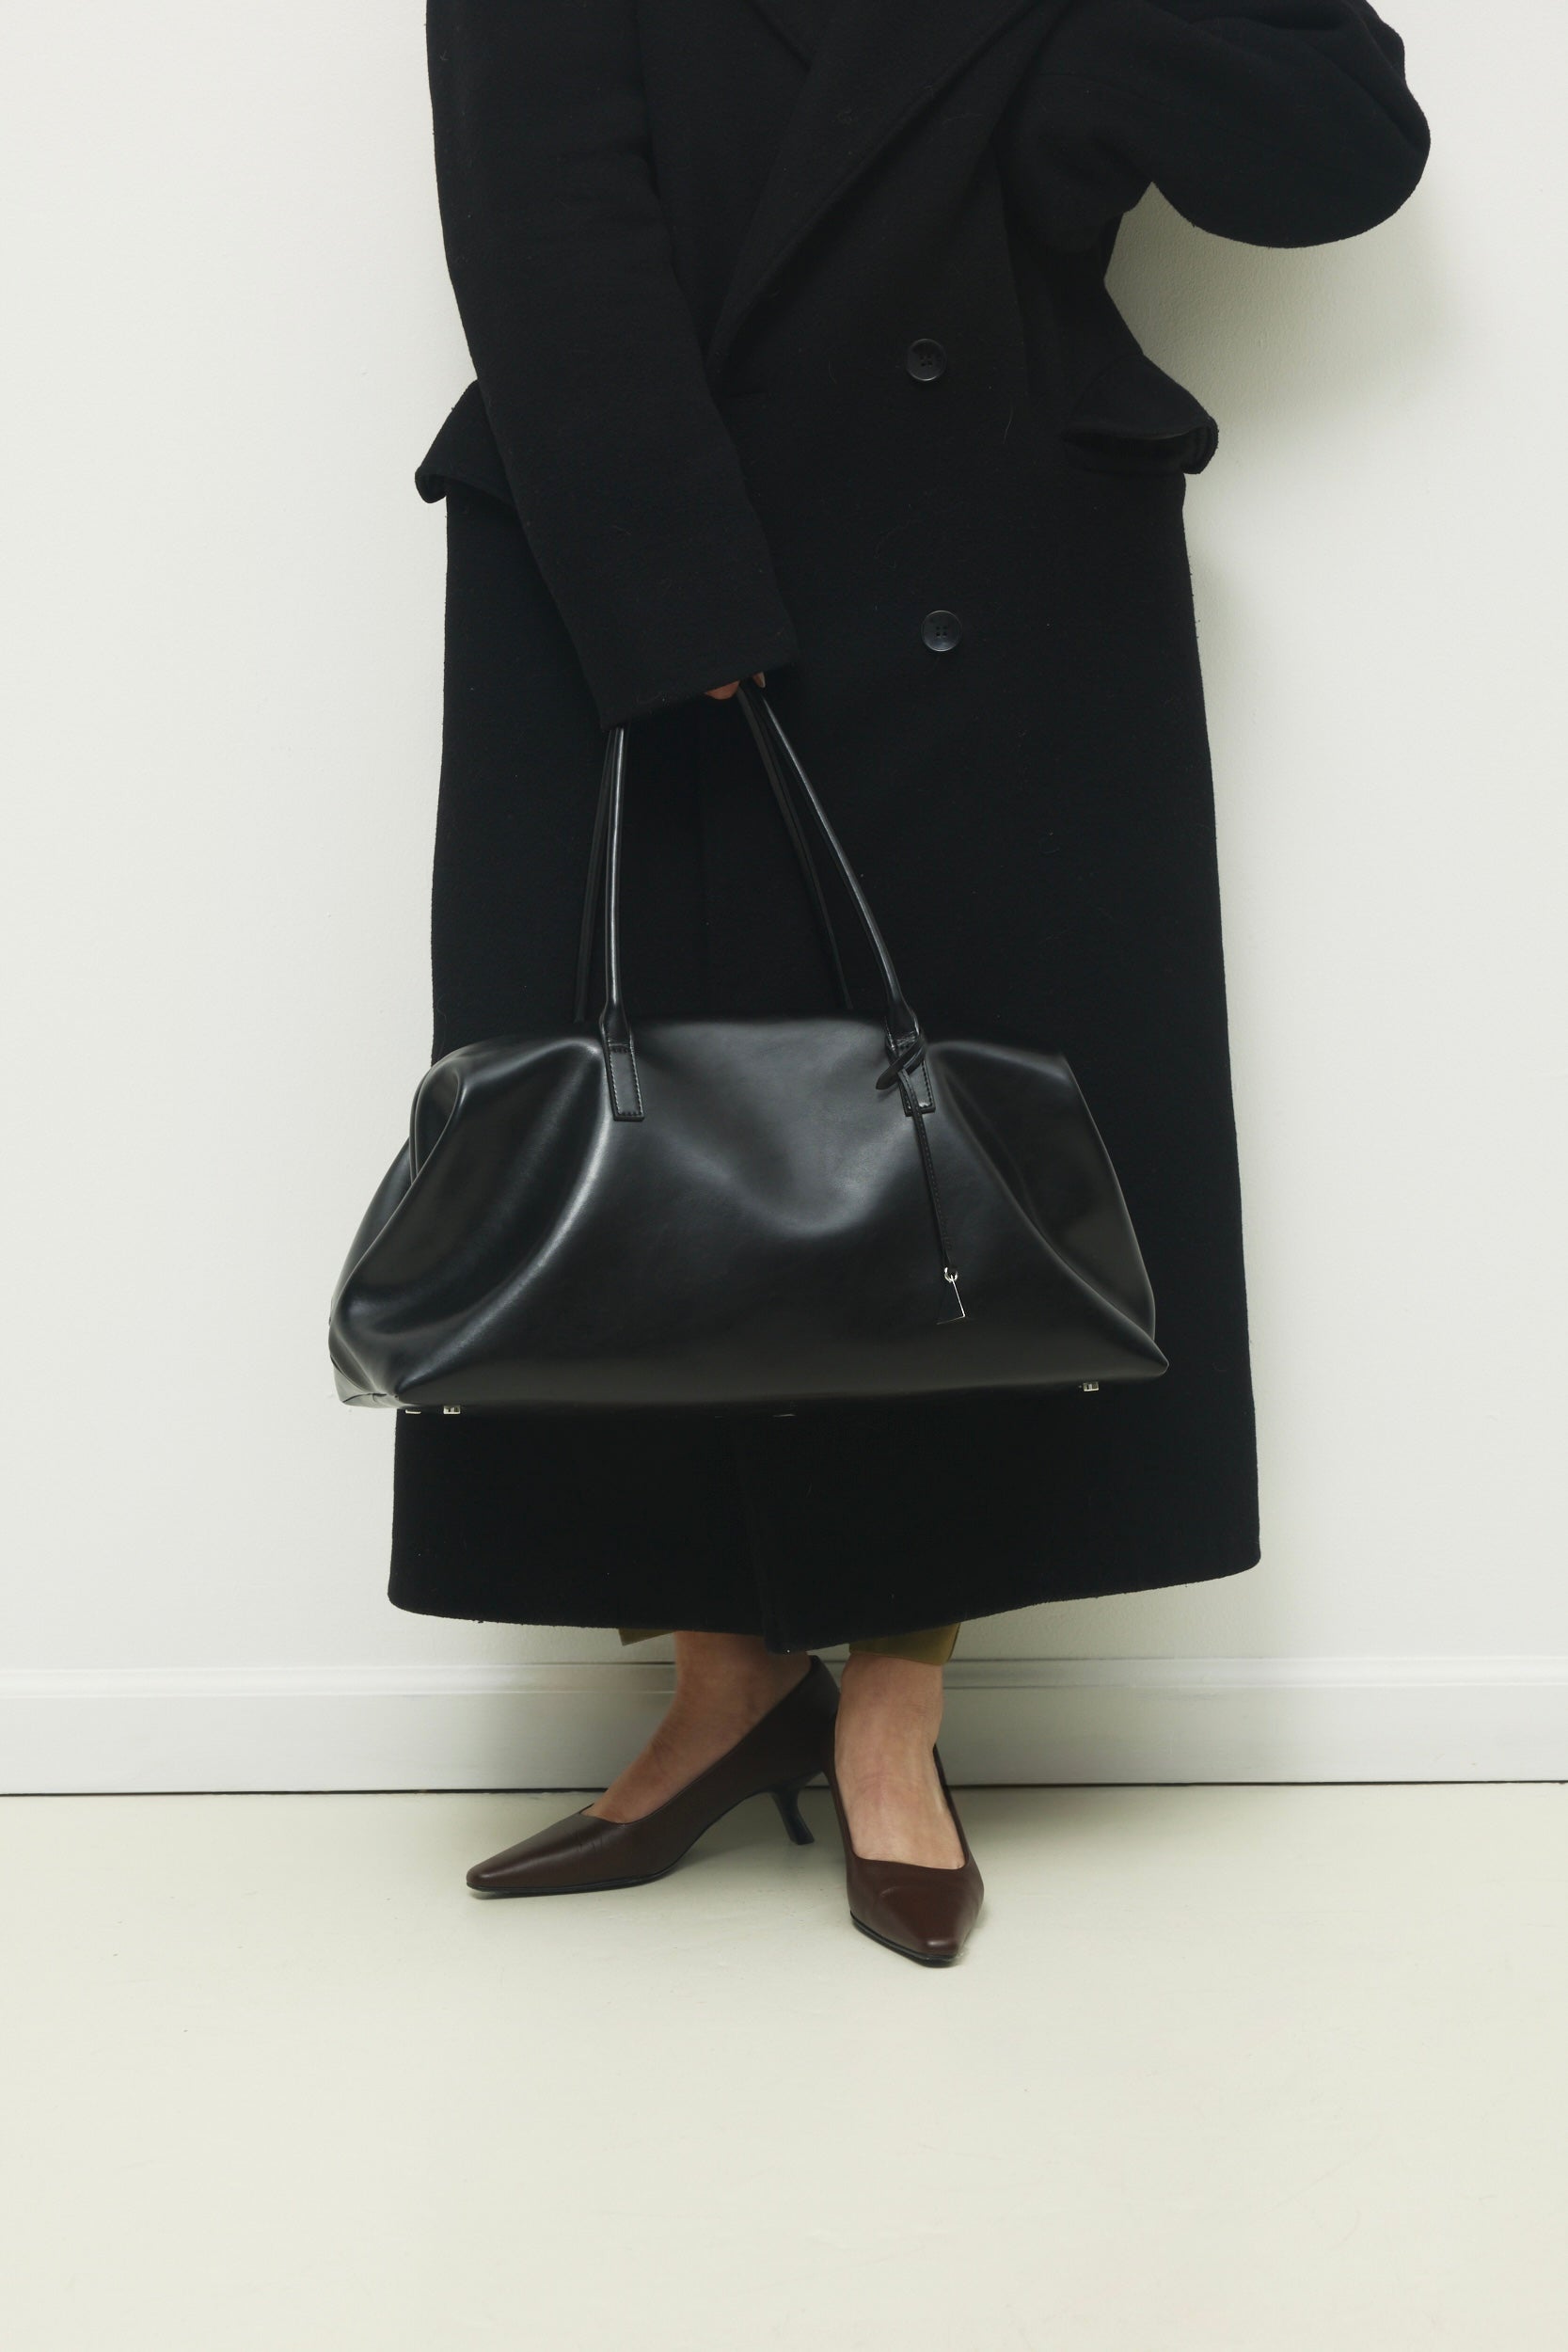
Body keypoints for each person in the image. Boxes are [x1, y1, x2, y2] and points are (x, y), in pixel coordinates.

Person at [388, 0, 1429, 1963]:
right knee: (656, 1166)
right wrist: (674, 604)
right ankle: (720, 1682)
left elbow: (1330, 167)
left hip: (1001, 588)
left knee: (961, 1199)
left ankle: (894, 1708)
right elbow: (540, 215)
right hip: (647, 554)